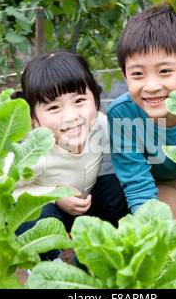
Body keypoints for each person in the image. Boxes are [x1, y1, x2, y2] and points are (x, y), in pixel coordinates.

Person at [8, 49, 129, 261]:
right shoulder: (34, 152)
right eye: (54, 107)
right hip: (53, 213)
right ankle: (49, 264)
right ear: (34, 119)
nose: (71, 116)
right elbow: (2, 189)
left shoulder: (101, 126)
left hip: (86, 204)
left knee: (117, 188)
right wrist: (54, 195)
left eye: (79, 101)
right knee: (32, 216)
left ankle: (107, 249)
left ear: (96, 99)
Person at [106, 5, 176, 223]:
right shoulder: (122, 114)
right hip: (162, 181)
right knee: (160, 226)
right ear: (125, 77)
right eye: (137, 74)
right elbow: (136, 180)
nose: (151, 86)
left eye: (164, 71)